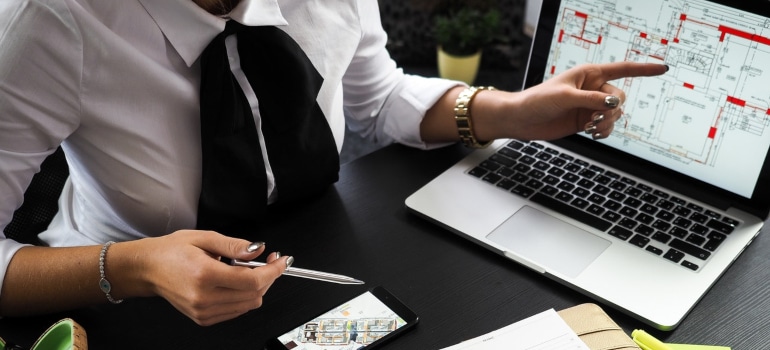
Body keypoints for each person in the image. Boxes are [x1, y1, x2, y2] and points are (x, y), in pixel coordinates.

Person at [0, 0, 667, 327]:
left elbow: (375, 97)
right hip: (129, 303)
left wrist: (504, 110)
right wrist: (136, 267)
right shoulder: (46, 24)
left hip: (318, 249)